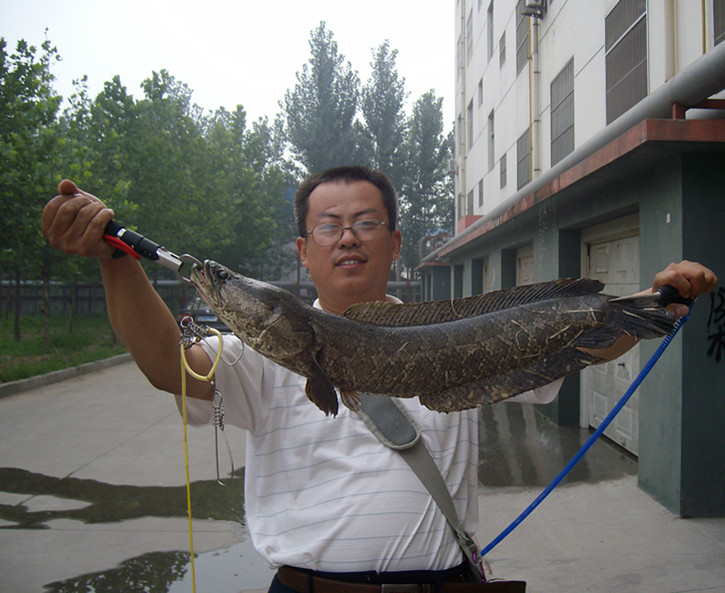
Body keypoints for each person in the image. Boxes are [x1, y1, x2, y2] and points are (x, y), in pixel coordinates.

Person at [42, 166, 718, 592]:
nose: (347, 238)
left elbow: (579, 350)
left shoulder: (453, 335)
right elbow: (170, 367)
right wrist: (114, 262)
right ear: (303, 251)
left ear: (395, 244)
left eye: (366, 223)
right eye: (328, 226)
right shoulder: (258, 350)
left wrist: (654, 304)